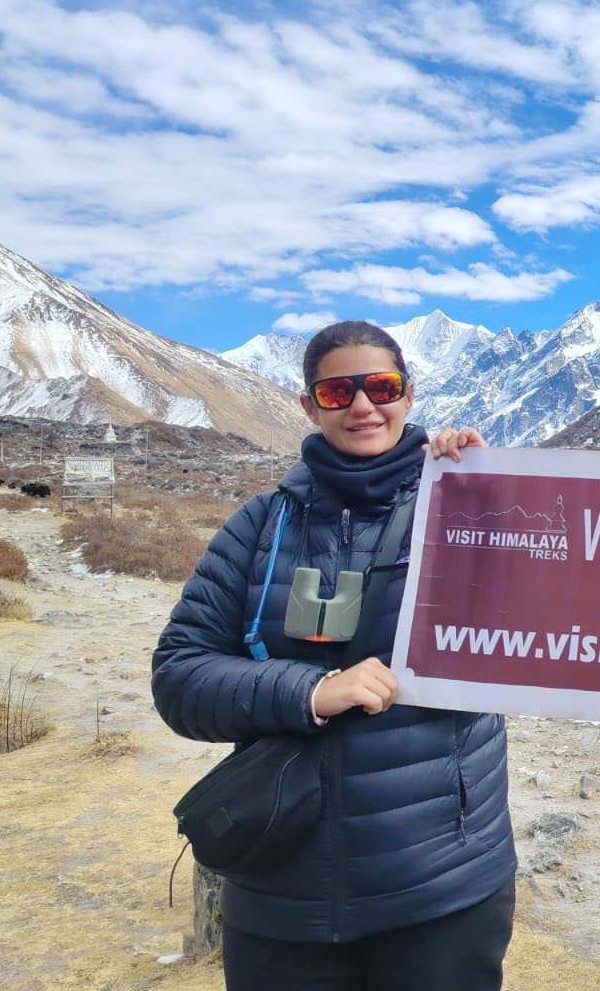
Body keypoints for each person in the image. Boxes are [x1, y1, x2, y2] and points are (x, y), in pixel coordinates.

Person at [152, 321, 515, 990]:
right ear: (309, 405)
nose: (362, 406)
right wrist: (308, 692)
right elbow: (179, 677)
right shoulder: (260, 525)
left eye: (381, 386)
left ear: (409, 394)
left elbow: (542, 618)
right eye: (337, 390)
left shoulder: (461, 508)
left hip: (441, 884)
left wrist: (492, 492)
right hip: (285, 891)